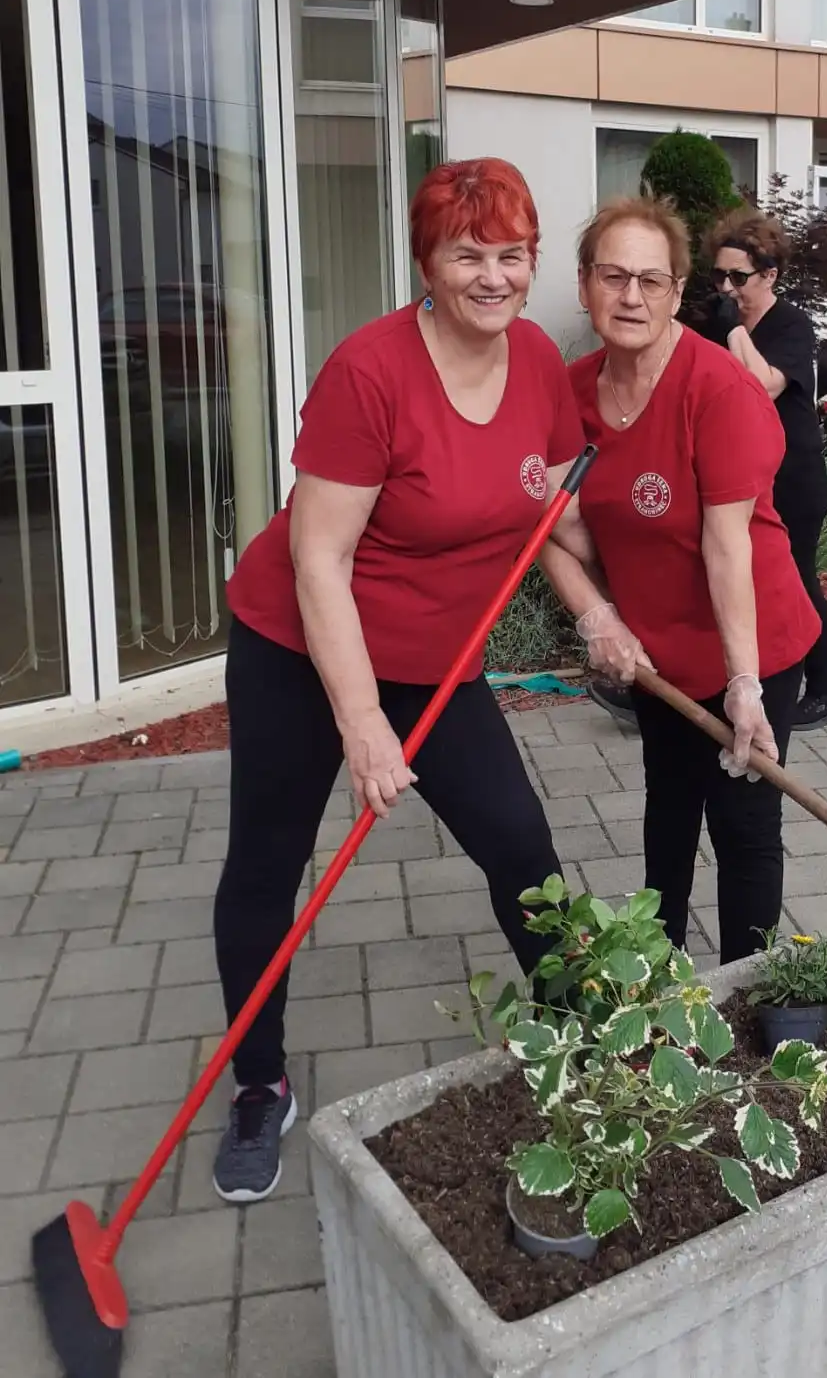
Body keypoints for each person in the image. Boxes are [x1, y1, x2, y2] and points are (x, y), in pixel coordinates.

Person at [212, 159, 586, 1204]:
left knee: (520, 844)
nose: (493, 276)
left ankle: (578, 1040)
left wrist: (605, 607)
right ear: (426, 264)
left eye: (512, 254)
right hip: (299, 648)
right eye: (468, 255)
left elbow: (553, 506)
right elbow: (318, 559)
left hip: (434, 658)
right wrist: (362, 720)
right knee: (267, 868)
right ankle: (259, 1085)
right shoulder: (370, 372)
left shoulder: (538, 363)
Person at [539, 198, 819, 962]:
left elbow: (726, 548)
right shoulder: (567, 394)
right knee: (667, 810)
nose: (631, 296)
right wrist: (597, 616)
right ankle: (657, 980)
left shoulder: (716, 389)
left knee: (743, 825)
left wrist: (744, 682)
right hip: (655, 653)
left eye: (651, 280)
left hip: (751, 639)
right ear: (585, 285)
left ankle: (749, 993)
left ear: (677, 291)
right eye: (614, 276)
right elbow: (543, 525)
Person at [705, 207, 827, 729]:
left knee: (798, 579)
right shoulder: (723, 320)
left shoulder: (790, 324)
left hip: (794, 478)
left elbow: (762, 385)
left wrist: (733, 334)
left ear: (769, 275)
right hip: (744, 477)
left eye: (738, 277)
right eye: (718, 276)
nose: (726, 288)